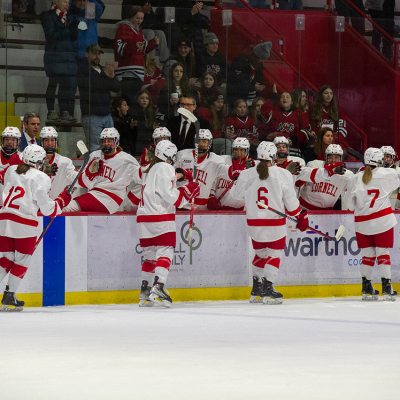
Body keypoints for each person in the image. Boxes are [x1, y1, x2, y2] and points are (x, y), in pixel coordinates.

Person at [230, 141, 308, 304]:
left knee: (260, 254)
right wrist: (300, 216)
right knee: (275, 253)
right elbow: (290, 200)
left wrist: (239, 178)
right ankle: (268, 287)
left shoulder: (247, 173)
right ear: (273, 157)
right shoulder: (282, 174)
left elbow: (236, 196)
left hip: (253, 224)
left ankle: (256, 288)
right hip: (274, 223)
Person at [0, 145, 71, 311]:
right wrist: (62, 200)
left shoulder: (11, 170)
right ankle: (9, 295)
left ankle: (10, 295)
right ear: (40, 161)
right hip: (24, 223)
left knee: (7, 259)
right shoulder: (42, 177)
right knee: (22, 259)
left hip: (3, 220)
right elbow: (47, 209)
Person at [129, 140, 199, 307]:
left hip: (143, 218)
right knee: (165, 251)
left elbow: (163, 186)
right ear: (170, 156)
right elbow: (170, 195)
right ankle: (158, 287)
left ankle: (145, 291)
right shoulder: (166, 167)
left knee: (150, 255)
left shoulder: (149, 168)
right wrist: (187, 192)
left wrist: (181, 179)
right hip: (160, 216)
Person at [344, 147, 399, 301]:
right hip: (382, 221)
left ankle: (366, 286)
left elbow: (349, 205)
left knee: (367, 256)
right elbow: (394, 181)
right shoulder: (387, 173)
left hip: (362, 223)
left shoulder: (355, 177)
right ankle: (386, 287)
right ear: (380, 160)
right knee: (383, 253)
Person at [63, 128, 139, 214]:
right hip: (94, 195)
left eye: (109, 141)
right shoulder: (95, 156)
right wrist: (89, 173)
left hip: (111, 199)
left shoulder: (126, 159)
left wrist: (132, 201)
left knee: (67, 208)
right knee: (67, 207)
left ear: (116, 141)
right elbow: (80, 182)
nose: (106, 144)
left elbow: (140, 178)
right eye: (104, 141)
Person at [175, 129, 235, 210]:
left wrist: (241, 166)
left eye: (204, 141)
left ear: (209, 143)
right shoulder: (182, 155)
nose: (201, 144)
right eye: (198, 141)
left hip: (202, 209)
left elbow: (229, 172)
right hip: (181, 206)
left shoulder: (216, 160)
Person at [78, 44, 121, 152]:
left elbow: (116, 88)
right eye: (94, 54)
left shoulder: (103, 70)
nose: (97, 56)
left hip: (106, 114)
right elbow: (92, 85)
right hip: (92, 115)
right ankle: (95, 169)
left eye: (99, 54)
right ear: (87, 55)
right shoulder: (83, 69)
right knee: (95, 148)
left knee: (111, 147)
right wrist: (106, 73)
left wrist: (111, 75)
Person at [114, 6, 159, 106]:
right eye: (137, 18)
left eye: (141, 18)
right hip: (127, 72)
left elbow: (142, 49)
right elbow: (119, 48)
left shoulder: (138, 30)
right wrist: (134, 45)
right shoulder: (123, 28)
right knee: (128, 101)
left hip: (137, 72)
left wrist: (153, 43)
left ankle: (133, 120)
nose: (139, 21)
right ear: (131, 17)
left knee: (135, 102)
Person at [42, 0, 78, 122]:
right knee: (53, 84)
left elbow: (73, 37)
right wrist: (69, 31)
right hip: (53, 56)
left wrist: (75, 31)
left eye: (68, 2)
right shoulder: (49, 16)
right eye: (64, 1)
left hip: (67, 56)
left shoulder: (71, 16)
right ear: (56, 1)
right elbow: (51, 35)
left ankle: (65, 111)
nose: (67, 4)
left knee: (65, 86)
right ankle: (51, 111)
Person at [298, 144, 353, 211]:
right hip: (304, 209)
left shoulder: (347, 175)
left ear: (341, 159)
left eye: (336, 158)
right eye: (330, 157)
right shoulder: (314, 165)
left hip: (327, 213)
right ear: (326, 158)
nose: (333, 160)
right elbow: (301, 176)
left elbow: (352, 194)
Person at [260, 90, 312, 157]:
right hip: (275, 150)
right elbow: (264, 112)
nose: (285, 98)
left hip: (294, 150)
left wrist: (294, 139)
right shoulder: (275, 111)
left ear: (292, 101)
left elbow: (306, 130)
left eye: (287, 97)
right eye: (282, 97)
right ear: (280, 100)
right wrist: (273, 97)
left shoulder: (299, 113)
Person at [208, 137, 251, 211]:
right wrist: (211, 196)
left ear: (246, 151)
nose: (238, 153)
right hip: (219, 209)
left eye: (241, 150)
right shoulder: (222, 160)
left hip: (240, 212)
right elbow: (213, 180)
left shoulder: (251, 166)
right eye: (236, 149)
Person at [39, 126, 78, 200]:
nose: (50, 143)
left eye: (52, 140)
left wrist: (89, 172)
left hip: (56, 206)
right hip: (36, 206)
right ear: (41, 142)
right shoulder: (34, 160)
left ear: (56, 141)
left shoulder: (65, 162)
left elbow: (76, 179)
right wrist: (41, 171)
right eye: (46, 140)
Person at [227, 42, 271, 107]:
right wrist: (253, 87)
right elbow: (235, 84)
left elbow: (259, 79)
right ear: (255, 56)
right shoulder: (241, 61)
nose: (262, 62)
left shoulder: (259, 65)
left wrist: (257, 86)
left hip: (252, 102)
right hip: (239, 101)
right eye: (261, 59)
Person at [196, 91, 231, 155]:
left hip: (214, 139)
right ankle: (225, 164)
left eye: (222, 102)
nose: (220, 105)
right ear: (212, 103)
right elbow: (204, 132)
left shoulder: (221, 111)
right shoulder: (204, 111)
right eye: (218, 102)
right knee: (227, 143)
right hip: (204, 141)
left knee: (233, 142)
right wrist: (222, 134)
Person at [129, 89, 159, 156]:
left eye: (147, 98)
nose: (145, 100)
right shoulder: (133, 112)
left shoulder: (151, 112)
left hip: (150, 142)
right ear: (137, 100)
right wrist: (151, 127)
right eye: (142, 98)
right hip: (138, 143)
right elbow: (138, 126)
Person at [0, 127, 23, 206]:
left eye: (13, 140)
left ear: (18, 142)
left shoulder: (22, 158)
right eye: (6, 139)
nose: (9, 142)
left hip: (12, 206)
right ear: (2, 140)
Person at [380, 145, 400, 210]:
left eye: (387, 156)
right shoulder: (375, 172)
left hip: (392, 207)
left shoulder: (398, 172)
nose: (385, 158)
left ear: (393, 158)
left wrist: (397, 207)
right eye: (383, 156)